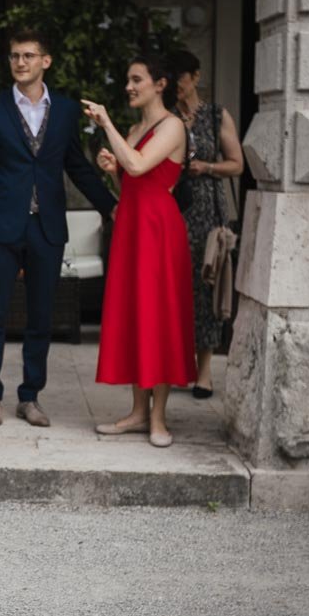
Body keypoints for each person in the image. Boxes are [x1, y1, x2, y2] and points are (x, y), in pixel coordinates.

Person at [0, 29, 117, 427]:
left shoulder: (66, 111)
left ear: (45, 61)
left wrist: (113, 206)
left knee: (41, 317)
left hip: (47, 228)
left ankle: (30, 396)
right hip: (1, 227)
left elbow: (77, 166)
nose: (20, 62)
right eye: (15, 56)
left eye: (29, 56)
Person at [84, 54, 196, 448]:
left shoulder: (173, 126)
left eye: (137, 79)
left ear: (159, 84)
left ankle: (159, 418)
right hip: (132, 228)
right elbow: (128, 180)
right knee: (136, 315)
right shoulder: (134, 127)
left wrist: (108, 130)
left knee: (160, 316)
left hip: (158, 232)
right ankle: (136, 413)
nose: (129, 86)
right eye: (128, 80)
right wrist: (110, 168)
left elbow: (136, 165)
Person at [168, 48, 245, 399]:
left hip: (208, 212)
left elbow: (237, 165)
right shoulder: (167, 117)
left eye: (182, 80)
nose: (177, 88)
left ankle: (204, 373)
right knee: (176, 288)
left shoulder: (216, 116)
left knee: (206, 286)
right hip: (174, 210)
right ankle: (175, 365)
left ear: (195, 77)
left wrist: (208, 168)